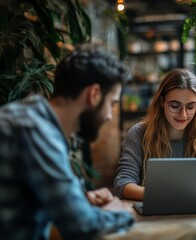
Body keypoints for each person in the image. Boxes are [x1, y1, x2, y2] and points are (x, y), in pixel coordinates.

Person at [0, 44, 135, 240]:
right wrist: (119, 212)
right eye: (111, 104)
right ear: (94, 94)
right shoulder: (36, 131)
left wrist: (79, 202)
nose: (108, 116)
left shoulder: (27, 117)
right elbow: (82, 226)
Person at [114, 68, 196, 200]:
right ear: (161, 102)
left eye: (190, 107)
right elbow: (123, 183)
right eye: (175, 106)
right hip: (153, 213)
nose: (183, 114)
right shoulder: (138, 134)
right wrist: (164, 197)